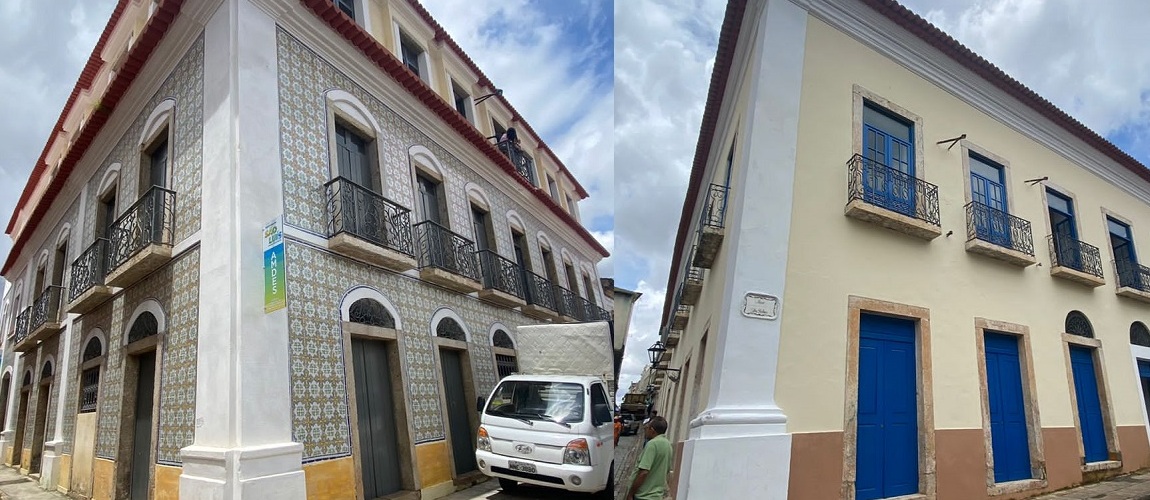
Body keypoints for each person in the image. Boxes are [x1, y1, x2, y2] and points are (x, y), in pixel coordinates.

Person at [627, 416, 672, 500]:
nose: (645, 430)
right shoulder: (668, 445)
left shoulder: (652, 444)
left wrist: (630, 493)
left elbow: (643, 472)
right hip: (657, 495)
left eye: (647, 428)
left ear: (652, 430)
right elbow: (666, 470)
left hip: (644, 495)